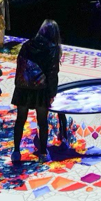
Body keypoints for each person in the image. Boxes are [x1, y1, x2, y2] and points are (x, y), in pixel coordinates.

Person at [11, 20, 62, 164]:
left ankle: (16, 151)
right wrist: (52, 93)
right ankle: (43, 153)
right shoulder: (52, 48)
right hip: (41, 89)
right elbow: (53, 73)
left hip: (24, 87)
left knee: (20, 120)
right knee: (42, 122)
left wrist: (19, 84)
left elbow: (19, 65)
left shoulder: (27, 44)